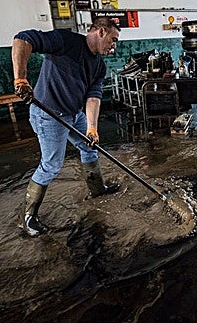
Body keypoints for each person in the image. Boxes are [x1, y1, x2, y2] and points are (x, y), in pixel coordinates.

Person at [12, 17, 121, 237]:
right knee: (52, 164)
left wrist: (92, 127)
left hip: (74, 114)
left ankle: (97, 190)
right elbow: (23, 38)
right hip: (48, 114)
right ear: (101, 31)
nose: (114, 45)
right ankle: (28, 217)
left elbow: (93, 97)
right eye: (113, 39)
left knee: (90, 147)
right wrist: (20, 79)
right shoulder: (65, 41)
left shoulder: (98, 66)